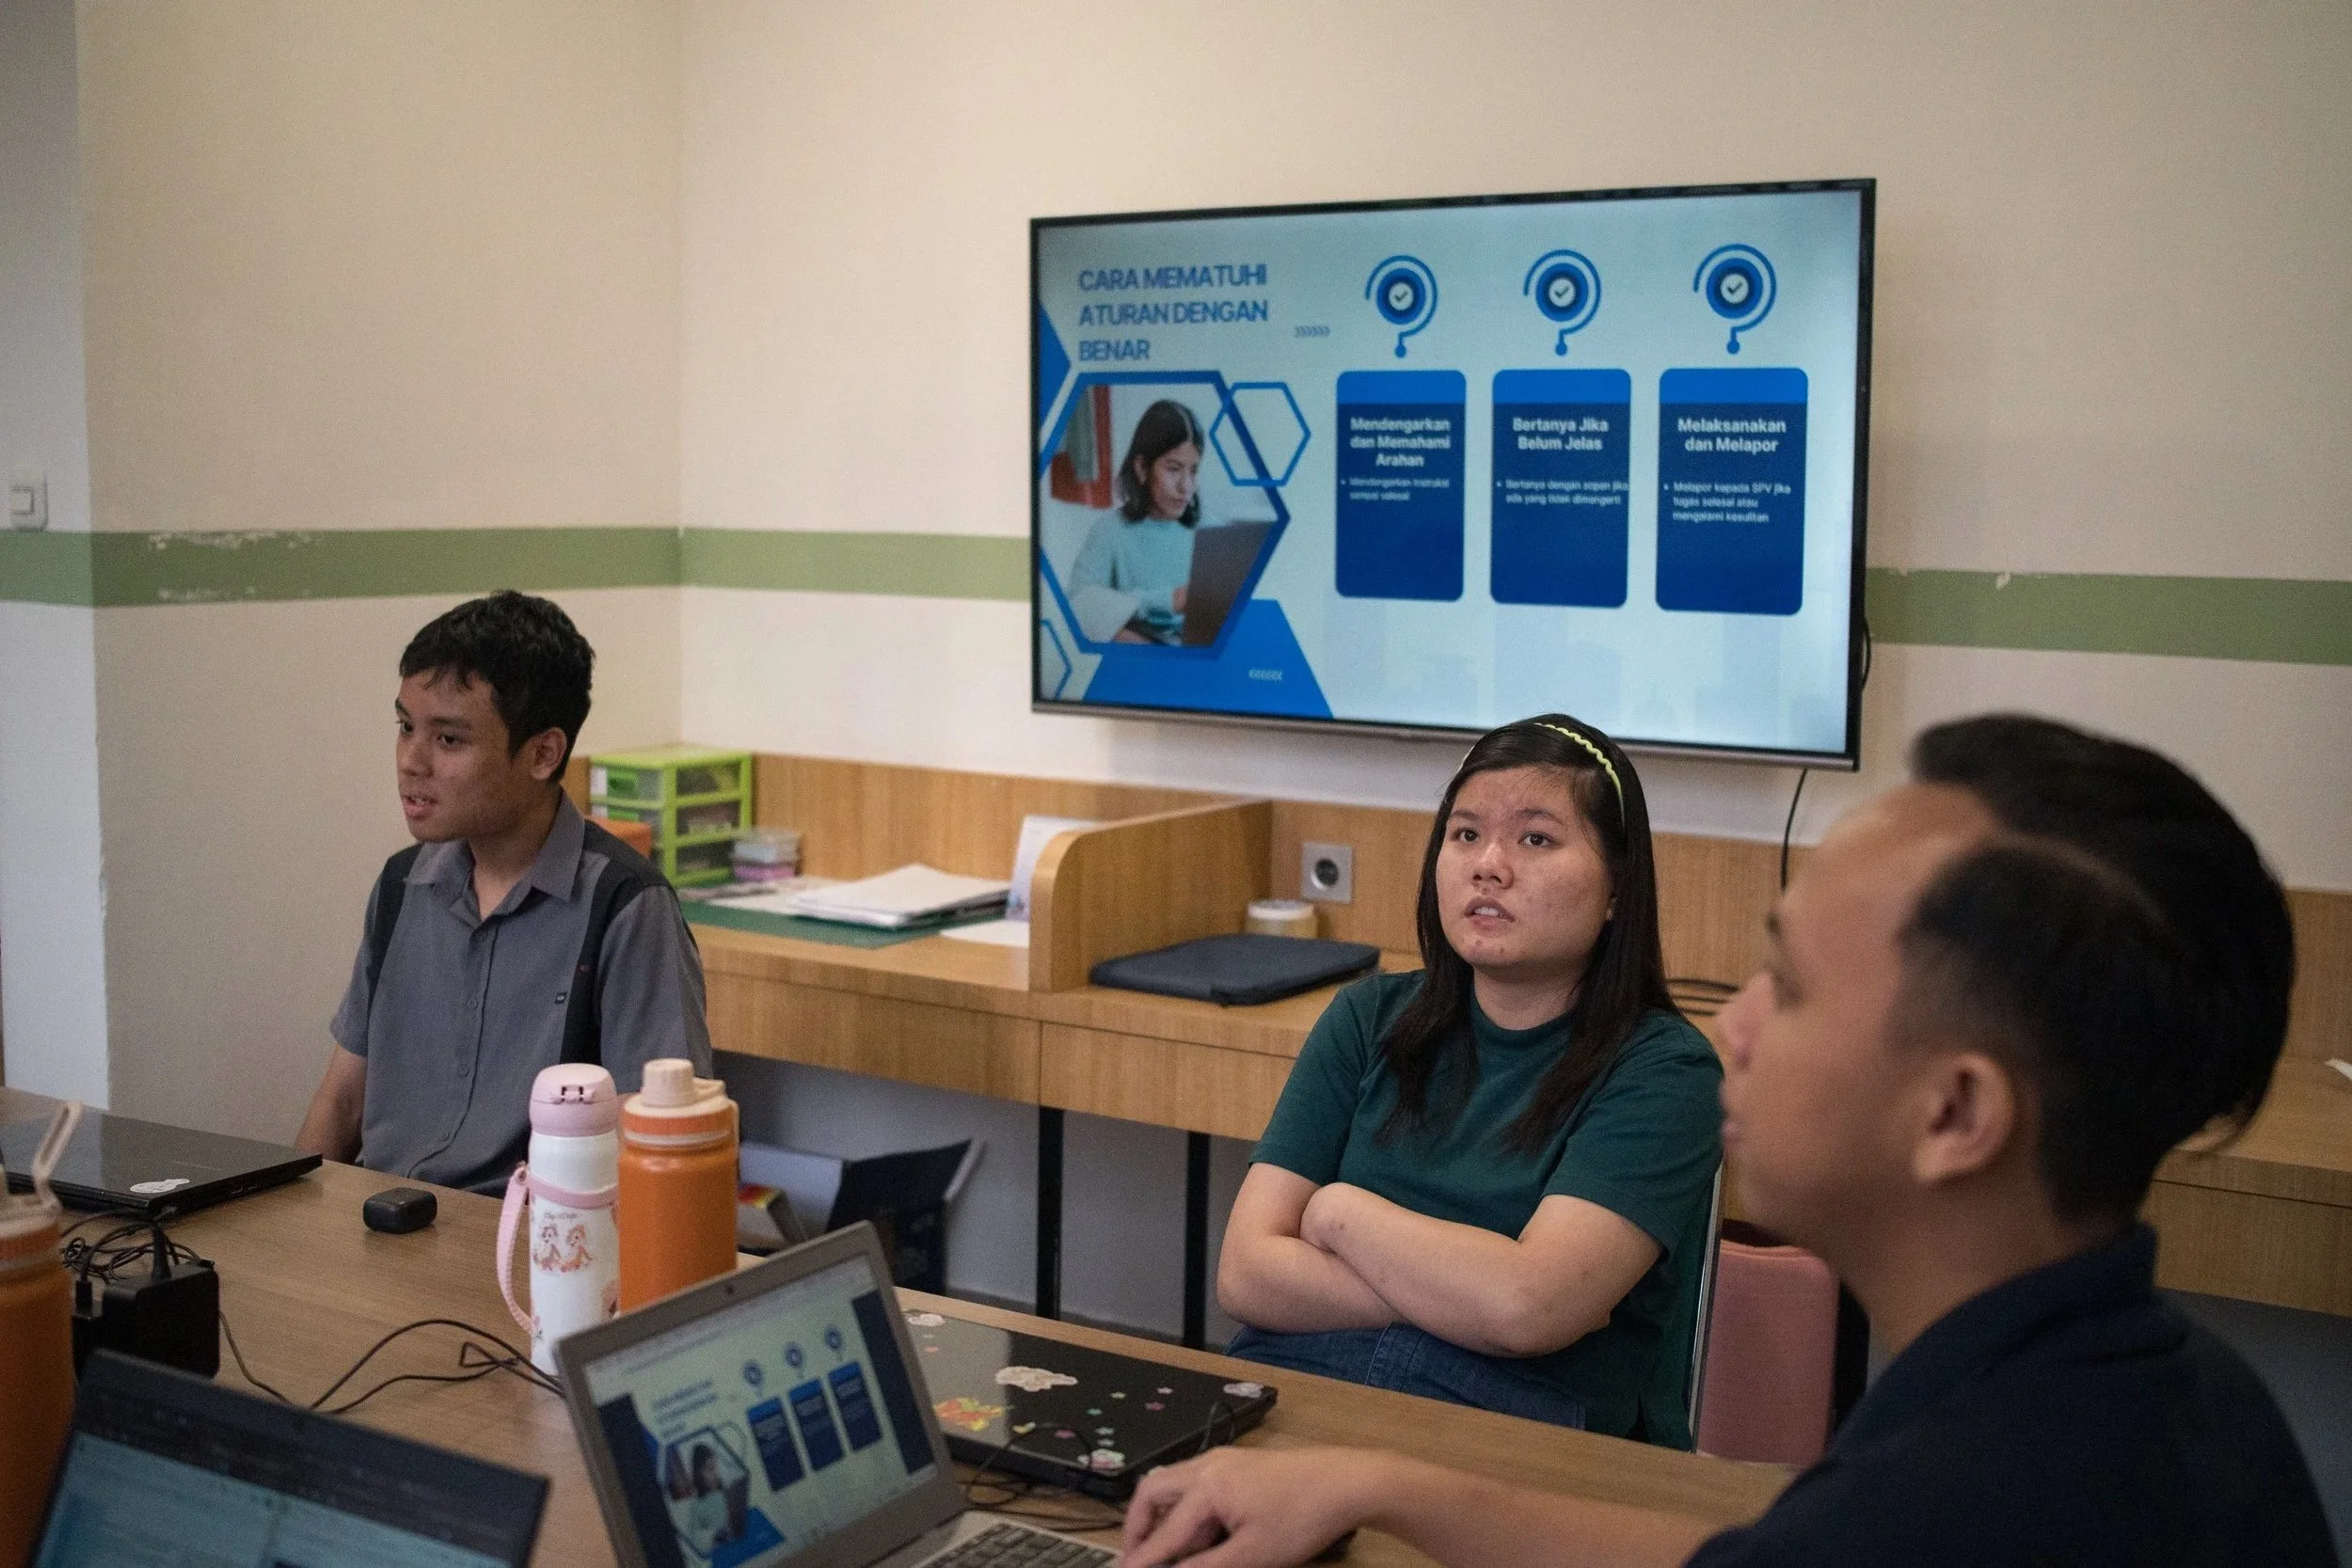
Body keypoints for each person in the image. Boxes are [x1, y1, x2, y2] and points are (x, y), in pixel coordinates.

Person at [1122, 714, 2336, 1568]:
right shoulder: (2109, 1391)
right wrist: (1384, 1483)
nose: (1737, 1023)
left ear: (1955, 1113)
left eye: (1793, 985)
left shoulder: (1988, 1500)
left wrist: (1336, 1220)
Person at [1217, 715, 1723, 1443]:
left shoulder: (1665, 1069)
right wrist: (1465, 1296)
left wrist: (1336, 1216)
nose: (1489, 864)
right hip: (1303, 1386)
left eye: (1536, 838)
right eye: (1465, 834)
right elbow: (1246, 1272)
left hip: (1521, 1431)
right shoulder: (1368, 1017)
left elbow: (1528, 1309)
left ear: (1618, 887)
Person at [294, 591, 712, 1194]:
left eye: (448, 740)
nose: (411, 761)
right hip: (380, 1222)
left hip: (524, 1243)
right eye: (406, 727)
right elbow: (341, 1104)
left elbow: (654, 1147)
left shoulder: (624, 907)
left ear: (543, 752)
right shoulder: (401, 885)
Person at [1072, 399, 1206, 643]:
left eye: (1193, 471)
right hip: (1133, 660)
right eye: (1174, 469)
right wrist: (1169, 600)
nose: (1186, 487)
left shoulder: (1208, 530)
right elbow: (1077, 606)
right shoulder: (1109, 531)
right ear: (1142, 467)